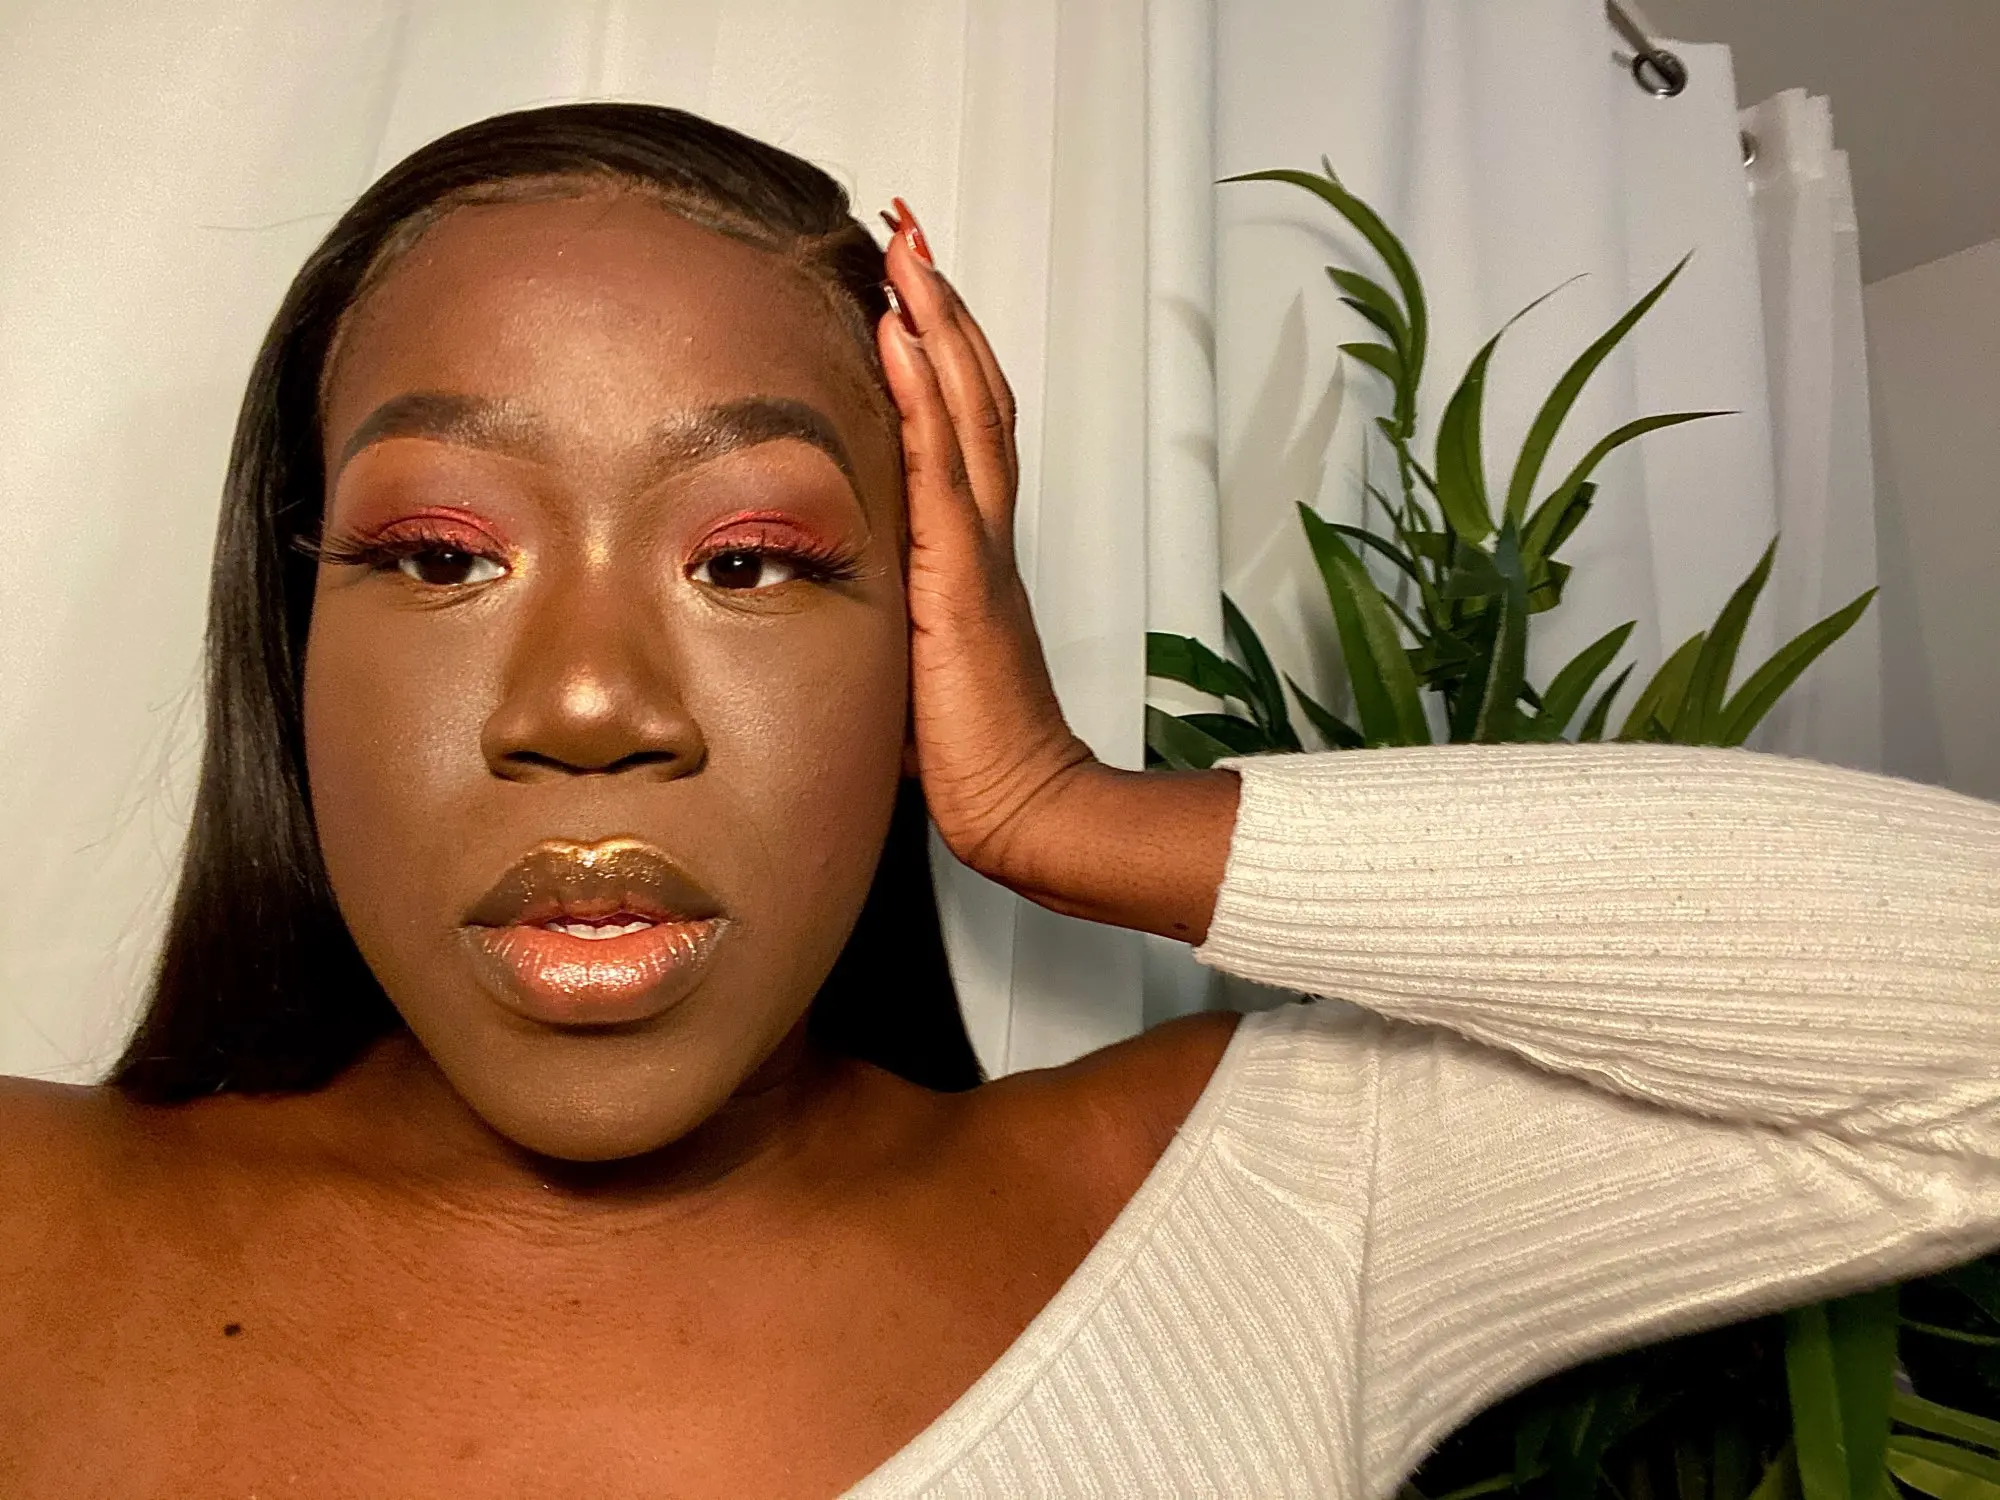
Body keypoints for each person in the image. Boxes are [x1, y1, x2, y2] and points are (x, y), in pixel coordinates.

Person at [0, 102, 1994, 1499]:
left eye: (752, 558)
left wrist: (1071, 808)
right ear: (294, 635)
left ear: (927, 633)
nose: (590, 702)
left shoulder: (1264, 1210)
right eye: (442, 554)